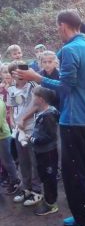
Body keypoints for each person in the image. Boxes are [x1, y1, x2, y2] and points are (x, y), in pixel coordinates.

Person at [17, 9, 85, 226]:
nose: (58, 31)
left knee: (73, 172)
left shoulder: (70, 50)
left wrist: (37, 78)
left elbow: (65, 87)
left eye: (57, 27)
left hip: (74, 119)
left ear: (63, 25)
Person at [8, 61, 42, 206]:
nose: (19, 74)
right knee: (23, 161)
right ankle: (26, 188)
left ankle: (36, 190)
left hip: (31, 129)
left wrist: (23, 119)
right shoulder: (11, 89)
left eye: (21, 71)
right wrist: (13, 123)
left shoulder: (33, 86)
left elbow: (36, 105)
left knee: (33, 160)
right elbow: (11, 109)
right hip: (18, 131)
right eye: (15, 72)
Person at [28, 86, 59, 216]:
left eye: (34, 96)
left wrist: (32, 139)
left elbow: (50, 136)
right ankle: (48, 200)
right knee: (45, 176)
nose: (32, 98)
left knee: (49, 178)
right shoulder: (42, 113)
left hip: (48, 152)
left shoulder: (48, 114)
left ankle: (51, 204)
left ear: (40, 99)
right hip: (42, 152)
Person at [0, 97, 20, 195]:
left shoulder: (0, 103)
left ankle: (15, 181)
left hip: (3, 136)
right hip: (2, 135)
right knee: (5, 161)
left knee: (7, 161)